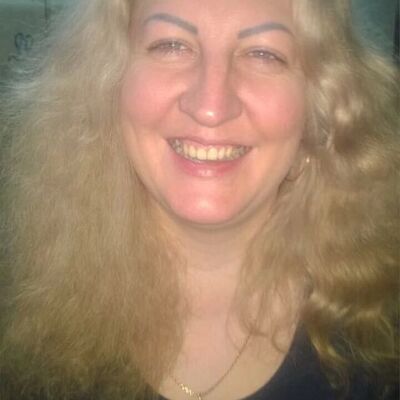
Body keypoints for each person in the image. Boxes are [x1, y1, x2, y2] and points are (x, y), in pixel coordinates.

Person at [0, 0, 398, 399]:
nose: (210, 107)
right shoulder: (18, 318)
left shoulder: (384, 338)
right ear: (108, 81)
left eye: (263, 54)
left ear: (320, 106)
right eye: (171, 45)